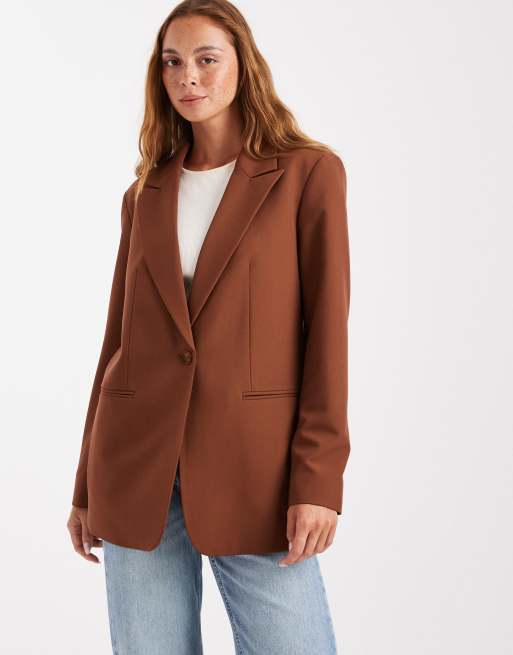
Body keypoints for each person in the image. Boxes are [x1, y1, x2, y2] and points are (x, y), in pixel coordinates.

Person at [67, 1, 350, 653]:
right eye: (172, 62)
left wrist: (318, 480)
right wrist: (86, 486)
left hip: (255, 471)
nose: (187, 77)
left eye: (206, 59)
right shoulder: (145, 194)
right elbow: (118, 342)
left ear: (243, 65)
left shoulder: (306, 174)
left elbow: (327, 339)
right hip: (136, 469)